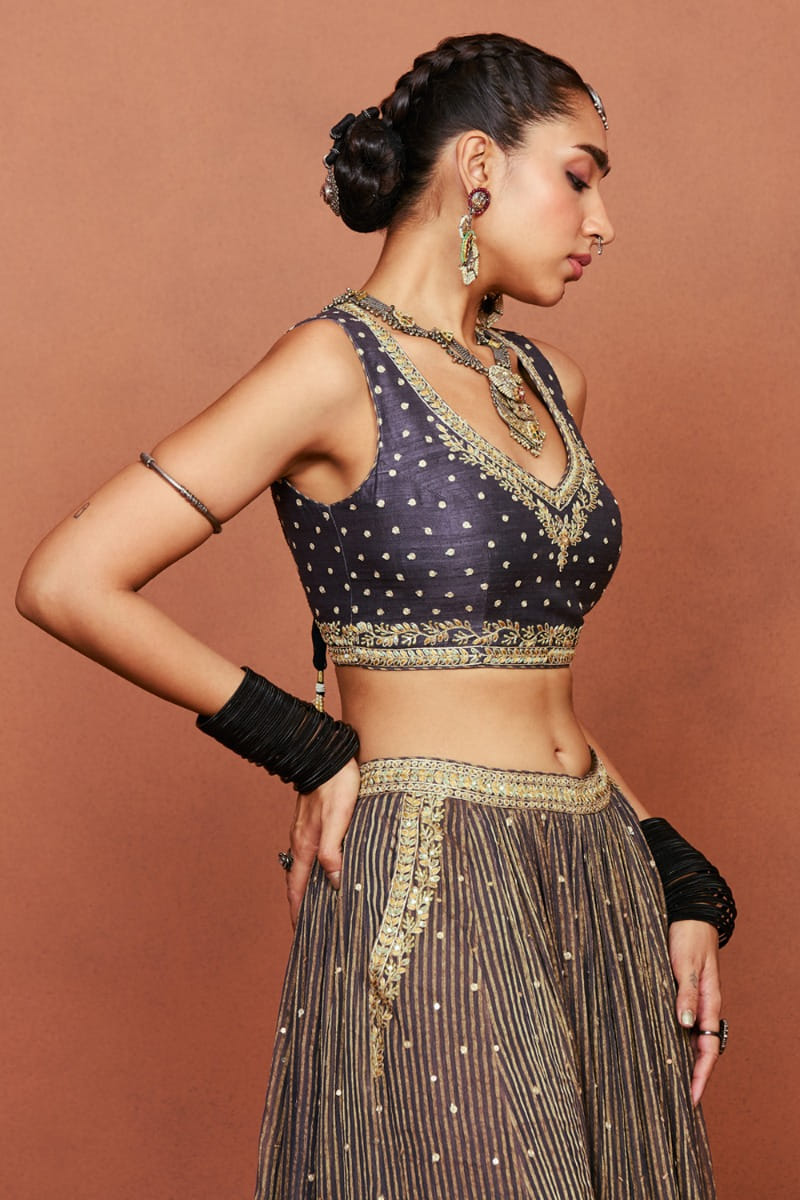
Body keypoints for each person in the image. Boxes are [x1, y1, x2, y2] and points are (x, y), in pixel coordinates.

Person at [16, 32, 735, 1200]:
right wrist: (302, 743)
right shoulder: (331, 367)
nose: (600, 223)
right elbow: (67, 579)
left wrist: (673, 866)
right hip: (435, 868)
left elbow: (518, 678)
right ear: (477, 167)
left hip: (597, 862)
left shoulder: (552, 384)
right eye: (580, 177)